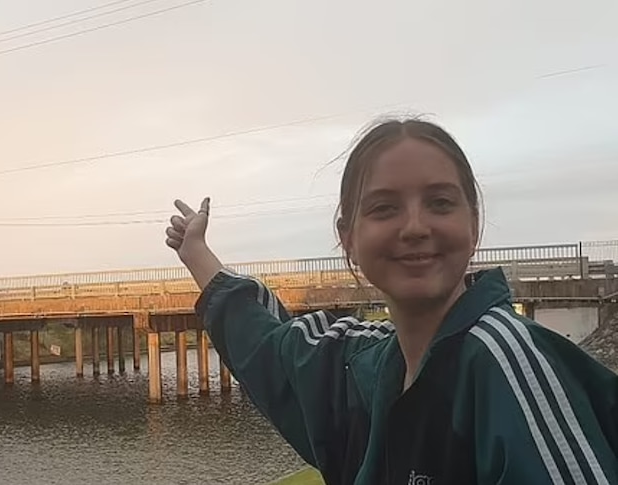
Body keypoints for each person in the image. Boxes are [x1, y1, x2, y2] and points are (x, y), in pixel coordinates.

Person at [164, 118, 618, 485]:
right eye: (384, 208)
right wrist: (198, 255)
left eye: (440, 203)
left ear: (474, 225)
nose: (415, 226)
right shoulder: (363, 364)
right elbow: (268, 349)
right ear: (348, 238)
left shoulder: (507, 364)